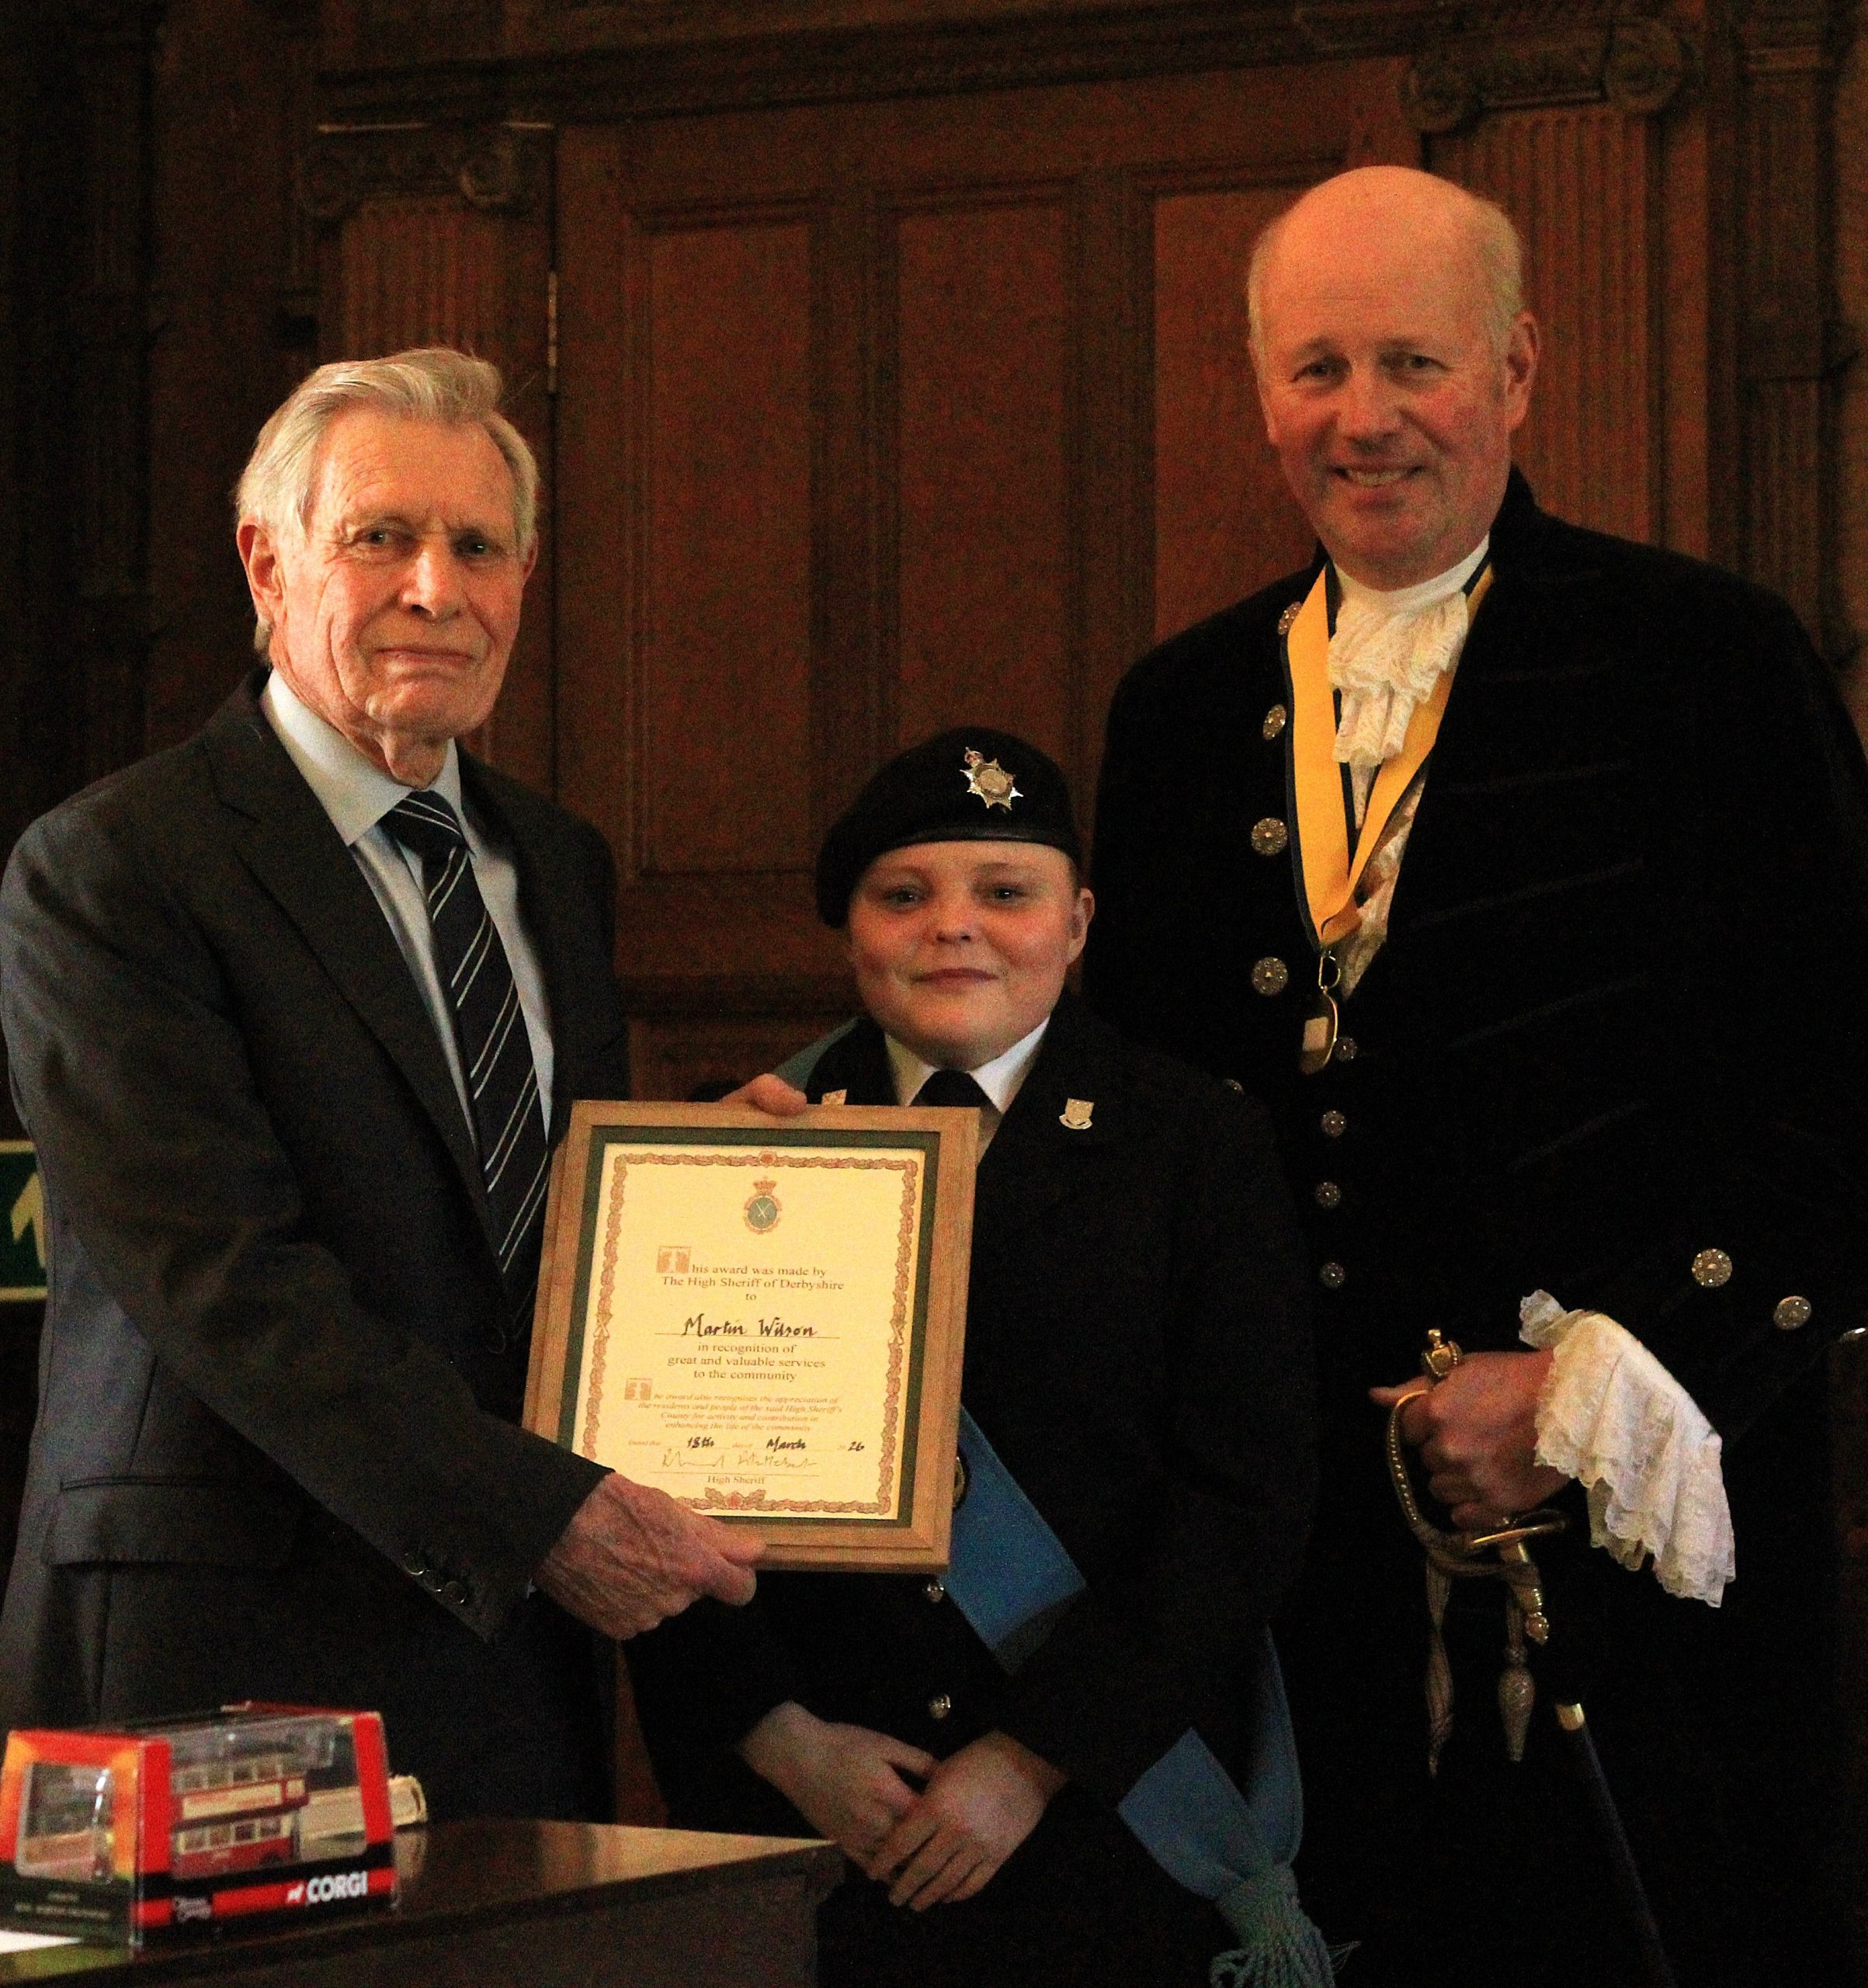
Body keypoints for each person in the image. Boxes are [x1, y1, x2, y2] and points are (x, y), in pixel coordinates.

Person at [1082, 164, 1868, 1985]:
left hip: (1639, 1569)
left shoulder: (1706, 661)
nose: (1366, 419)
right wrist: (865, 1121)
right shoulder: (1181, 707)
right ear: (1260, 385)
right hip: (1292, 1574)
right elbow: (1118, 1114)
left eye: (1416, 361)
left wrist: (1607, 1375)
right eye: (1317, 367)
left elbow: (1845, 1092)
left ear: (1518, 370)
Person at [0, 349, 760, 1818]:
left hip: (501, 1646)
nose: (435, 586)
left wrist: (702, 1193)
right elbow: (221, 1277)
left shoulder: (557, 864)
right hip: (218, 1643)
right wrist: (539, 1519)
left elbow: (531, 1225)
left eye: (476, 546)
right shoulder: (112, 868)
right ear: (265, 563)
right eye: (379, 537)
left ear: (523, 579)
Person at [626, 728, 1318, 1987]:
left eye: (1005, 892)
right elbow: (644, 1496)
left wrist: (1029, 1758)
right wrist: (778, 1739)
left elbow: (1243, 1501)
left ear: (1078, 920)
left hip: (1102, 1815)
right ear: (850, 928)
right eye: (905, 895)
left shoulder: (1195, 1146)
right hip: (808, 1826)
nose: (955, 928)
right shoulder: (730, 1138)